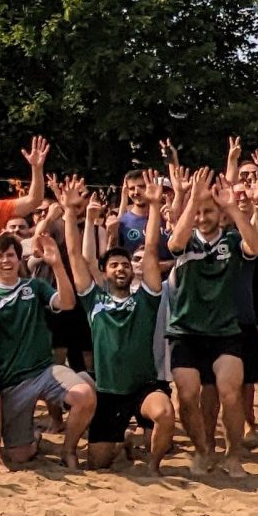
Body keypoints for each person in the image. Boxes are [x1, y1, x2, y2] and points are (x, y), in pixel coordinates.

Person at [0, 191, 96, 469]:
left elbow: (66, 302)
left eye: (11, 256)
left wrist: (56, 265)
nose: (6, 261)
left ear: (19, 259)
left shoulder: (34, 287)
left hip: (44, 370)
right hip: (12, 381)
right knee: (19, 455)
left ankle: (68, 450)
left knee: (85, 396)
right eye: (0, 257)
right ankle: (34, 438)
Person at [69, 172, 175, 473]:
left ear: (132, 271)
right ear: (105, 271)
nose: (120, 268)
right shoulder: (95, 300)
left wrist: (155, 207)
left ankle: (153, 466)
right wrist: (71, 214)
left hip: (143, 388)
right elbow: (77, 257)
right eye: (114, 264)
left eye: (125, 265)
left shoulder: (146, 298)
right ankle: (124, 441)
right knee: (97, 463)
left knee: (165, 413)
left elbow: (152, 250)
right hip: (107, 392)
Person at [164, 166, 258, 477]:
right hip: (186, 330)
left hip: (225, 331)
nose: (202, 217)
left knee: (230, 391)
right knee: (186, 392)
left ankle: (233, 454)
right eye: (198, 211)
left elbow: (257, 248)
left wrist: (233, 208)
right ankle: (201, 450)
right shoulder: (185, 240)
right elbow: (174, 245)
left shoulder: (234, 240)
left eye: (208, 211)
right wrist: (192, 200)